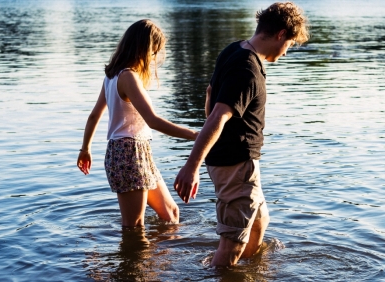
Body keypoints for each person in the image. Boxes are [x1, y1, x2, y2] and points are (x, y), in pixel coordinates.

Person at [174, 2, 309, 267]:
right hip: (235, 165)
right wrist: (192, 166)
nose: (286, 51)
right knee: (233, 243)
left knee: (259, 222)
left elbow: (210, 96)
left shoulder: (234, 50)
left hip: (237, 164)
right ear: (281, 34)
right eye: (290, 44)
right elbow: (217, 115)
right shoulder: (246, 69)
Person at [77, 19, 198, 228]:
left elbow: (94, 115)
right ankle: (133, 260)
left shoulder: (112, 76)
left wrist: (86, 149)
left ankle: (156, 260)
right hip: (128, 152)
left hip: (136, 152)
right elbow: (153, 120)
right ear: (143, 48)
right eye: (153, 51)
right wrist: (196, 135)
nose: (153, 58)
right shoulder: (127, 77)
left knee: (171, 214)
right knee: (134, 226)